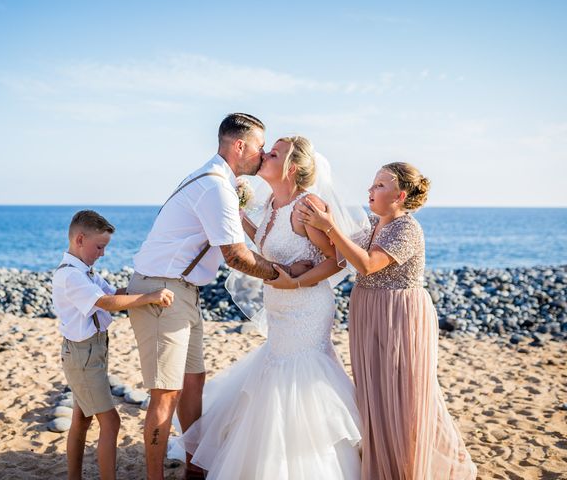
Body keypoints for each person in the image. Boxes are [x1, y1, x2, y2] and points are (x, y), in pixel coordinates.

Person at [127, 114, 311, 480]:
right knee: (166, 393)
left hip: (182, 289)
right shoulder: (215, 187)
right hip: (161, 291)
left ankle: (196, 465)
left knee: (195, 380)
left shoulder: (215, 180)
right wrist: (285, 276)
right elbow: (235, 256)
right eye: (261, 147)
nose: (263, 154)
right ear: (240, 146)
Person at [180, 136, 366, 479]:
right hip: (279, 306)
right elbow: (264, 239)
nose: (264, 154)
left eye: (274, 153)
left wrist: (295, 281)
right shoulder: (272, 206)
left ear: (291, 168)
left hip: (306, 308)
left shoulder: (307, 206)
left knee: (295, 378)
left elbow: (337, 261)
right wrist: (238, 216)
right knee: (272, 373)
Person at [297, 163, 478, 479]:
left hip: (399, 313)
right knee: (372, 390)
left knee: (403, 393)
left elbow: (367, 264)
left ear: (400, 195)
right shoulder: (369, 225)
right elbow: (341, 254)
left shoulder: (407, 229)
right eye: (373, 183)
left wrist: (330, 227)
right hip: (368, 309)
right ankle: (381, 462)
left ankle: (405, 468)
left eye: (379, 185)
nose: (370, 190)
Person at [52, 210, 174, 480]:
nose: (103, 254)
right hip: (82, 356)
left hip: (91, 352)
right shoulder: (71, 276)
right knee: (111, 421)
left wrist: (147, 287)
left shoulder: (85, 272)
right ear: (80, 240)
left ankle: (74, 477)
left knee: (81, 419)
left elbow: (114, 294)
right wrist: (149, 297)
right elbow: (105, 303)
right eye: (100, 247)